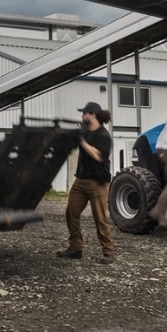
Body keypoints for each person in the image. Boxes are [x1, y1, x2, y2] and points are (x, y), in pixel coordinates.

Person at [57, 101, 116, 264]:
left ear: (93, 115)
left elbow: (97, 155)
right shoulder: (85, 131)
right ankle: (75, 248)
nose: (82, 116)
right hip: (81, 180)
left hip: (97, 182)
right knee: (71, 212)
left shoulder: (104, 136)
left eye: (84, 113)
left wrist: (81, 140)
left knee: (100, 218)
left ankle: (108, 252)